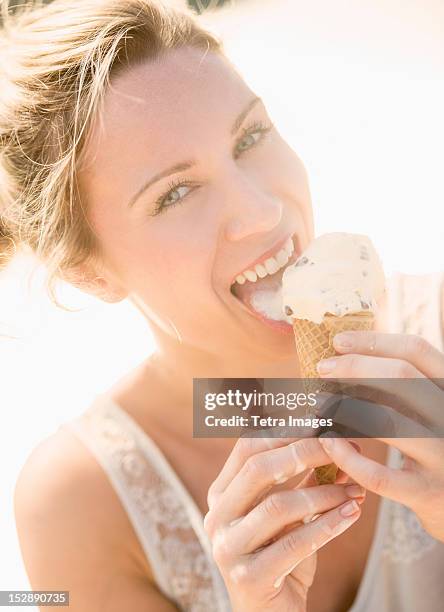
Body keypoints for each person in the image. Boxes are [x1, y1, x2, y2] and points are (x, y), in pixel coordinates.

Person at [1, 1, 443, 610]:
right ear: (90, 273)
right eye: (175, 192)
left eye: (250, 136)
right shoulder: (77, 504)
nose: (263, 211)